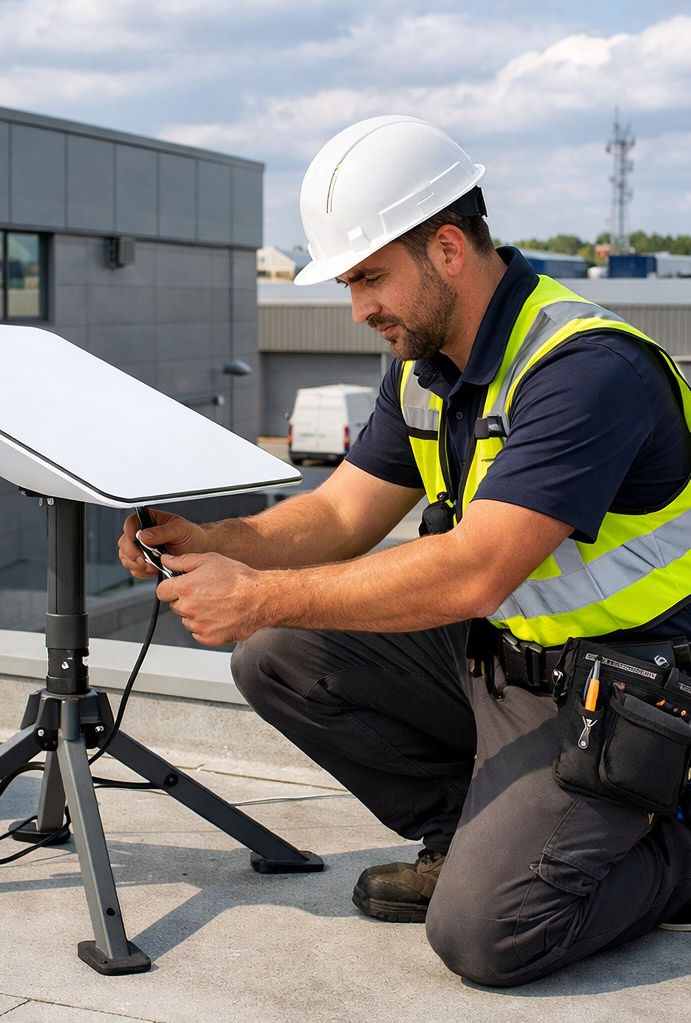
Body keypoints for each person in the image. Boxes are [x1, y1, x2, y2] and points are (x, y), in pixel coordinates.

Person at [118, 114, 691, 987]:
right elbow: (342, 513)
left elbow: (476, 569)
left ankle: (669, 847)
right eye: (349, 283)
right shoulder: (426, 364)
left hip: (626, 694)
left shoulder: (585, 370)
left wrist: (263, 594)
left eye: (371, 278)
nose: (359, 309)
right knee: (281, 657)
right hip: (510, 663)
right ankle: (466, 835)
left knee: (488, 935)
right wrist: (216, 541)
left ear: (449, 249)